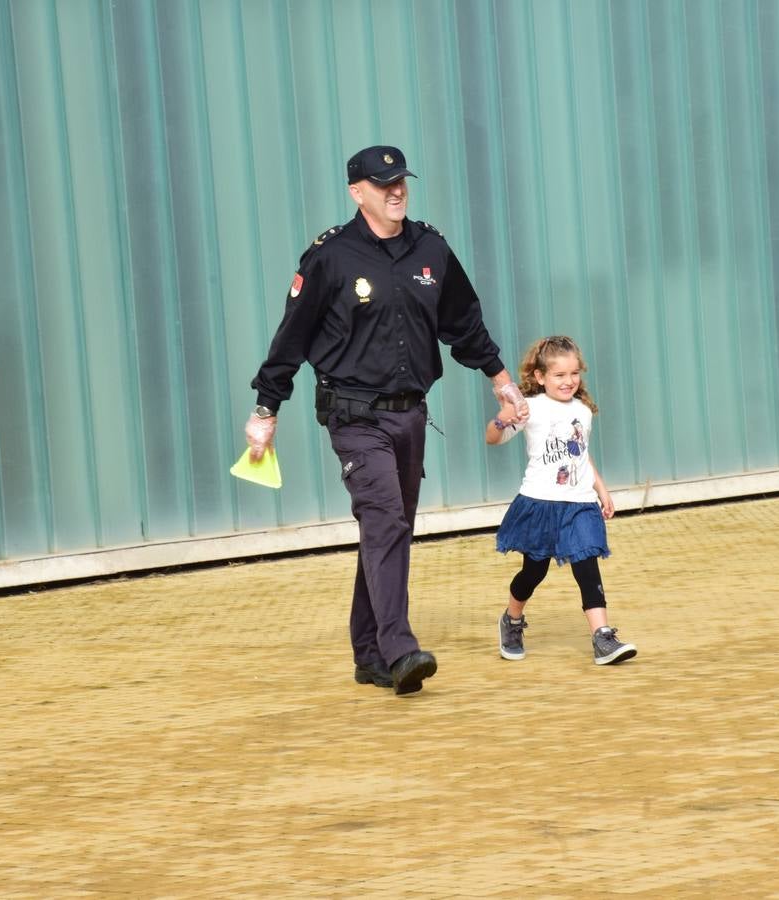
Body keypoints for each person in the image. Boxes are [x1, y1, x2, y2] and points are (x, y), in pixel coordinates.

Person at [245, 145, 529, 696]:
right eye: (383, 184)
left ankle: (370, 653)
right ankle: (400, 649)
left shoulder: (431, 248)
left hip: (410, 415)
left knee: (387, 529)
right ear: (357, 192)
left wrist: (501, 381)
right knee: (386, 523)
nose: (396, 190)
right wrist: (266, 407)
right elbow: (293, 336)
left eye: (401, 180)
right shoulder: (331, 256)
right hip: (353, 415)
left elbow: (464, 323)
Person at [485, 335, 637, 666]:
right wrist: (503, 417)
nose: (568, 381)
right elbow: (492, 438)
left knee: (587, 564)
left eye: (573, 374)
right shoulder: (530, 407)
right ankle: (511, 620)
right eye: (559, 375)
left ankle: (602, 638)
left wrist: (601, 488)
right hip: (540, 503)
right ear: (540, 376)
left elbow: (582, 454)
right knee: (533, 572)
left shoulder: (582, 410)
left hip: (580, 503)